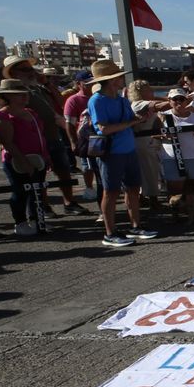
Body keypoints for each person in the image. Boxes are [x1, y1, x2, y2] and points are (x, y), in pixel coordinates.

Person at [0, 55, 87, 215]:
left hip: (52, 137)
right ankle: (42, 208)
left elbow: (60, 102)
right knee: (38, 176)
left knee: (63, 169)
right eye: (25, 69)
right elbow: (3, 118)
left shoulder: (38, 89)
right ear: (13, 73)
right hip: (30, 142)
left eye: (31, 68)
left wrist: (46, 82)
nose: (31, 72)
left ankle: (69, 203)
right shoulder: (7, 94)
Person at [86, 60, 158, 247]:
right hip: (111, 153)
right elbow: (103, 128)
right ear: (110, 80)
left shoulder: (121, 99)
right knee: (111, 192)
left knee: (133, 188)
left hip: (128, 149)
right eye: (118, 77)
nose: (122, 79)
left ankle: (136, 226)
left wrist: (143, 118)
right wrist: (131, 123)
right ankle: (110, 233)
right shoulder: (97, 101)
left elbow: (132, 120)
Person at [0, 79, 51, 236]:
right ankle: (20, 222)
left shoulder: (31, 112)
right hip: (17, 161)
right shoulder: (3, 116)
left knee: (36, 191)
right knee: (20, 192)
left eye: (25, 93)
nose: (24, 97)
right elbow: (8, 143)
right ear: (7, 96)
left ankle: (36, 220)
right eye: (19, 94)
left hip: (38, 159)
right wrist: (23, 162)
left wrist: (44, 157)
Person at [158, 88, 194, 225]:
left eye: (182, 99)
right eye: (175, 99)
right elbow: (154, 135)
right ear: (169, 101)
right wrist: (162, 135)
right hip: (172, 156)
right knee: (175, 188)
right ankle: (176, 214)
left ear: (187, 100)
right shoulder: (162, 116)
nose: (179, 102)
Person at [126, 80, 167, 213]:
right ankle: (153, 200)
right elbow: (158, 106)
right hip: (143, 143)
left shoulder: (137, 104)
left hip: (142, 142)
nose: (151, 91)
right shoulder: (139, 104)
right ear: (141, 92)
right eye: (148, 89)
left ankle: (142, 197)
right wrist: (176, 102)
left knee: (144, 172)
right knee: (150, 171)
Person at [63, 69, 97, 201]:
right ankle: (89, 188)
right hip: (85, 138)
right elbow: (69, 123)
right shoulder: (73, 100)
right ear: (78, 84)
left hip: (100, 136)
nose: (90, 84)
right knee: (87, 165)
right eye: (87, 82)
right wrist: (73, 141)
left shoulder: (97, 96)